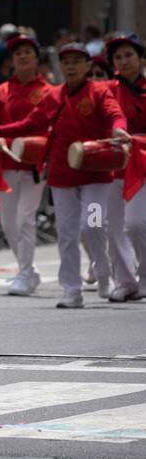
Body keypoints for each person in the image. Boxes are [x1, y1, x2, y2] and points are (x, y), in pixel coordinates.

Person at [0, 42, 130, 307]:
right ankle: (71, 290)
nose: (71, 65)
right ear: (60, 66)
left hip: (96, 176)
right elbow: (33, 122)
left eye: (77, 60)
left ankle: (103, 274)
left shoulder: (99, 92)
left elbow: (115, 115)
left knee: (94, 226)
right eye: (66, 61)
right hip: (62, 176)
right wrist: (0, 131)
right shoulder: (53, 95)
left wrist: (119, 129)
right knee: (66, 233)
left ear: (88, 66)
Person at [0, 33, 53, 295]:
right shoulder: (2, 90)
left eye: (28, 51)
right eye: (17, 53)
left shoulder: (49, 91)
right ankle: (28, 270)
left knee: (25, 218)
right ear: (11, 60)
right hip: (5, 165)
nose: (23, 56)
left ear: (37, 58)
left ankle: (25, 274)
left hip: (34, 167)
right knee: (8, 224)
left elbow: (48, 126)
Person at [102, 32, 146, 301]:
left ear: (140, 58)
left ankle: (144, 276)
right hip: (113, 167)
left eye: (129, 55)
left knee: (135, 224)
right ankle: (125, 281)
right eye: (118, 57)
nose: (124, 60)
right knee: (109, 226)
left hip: (142, 168)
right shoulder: (106, 90)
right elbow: (110, 118)